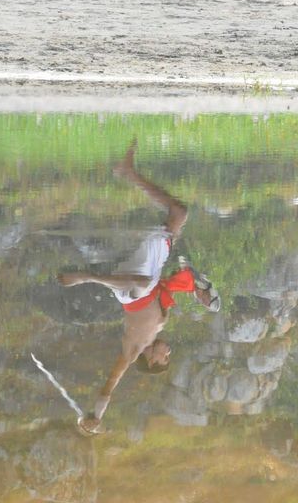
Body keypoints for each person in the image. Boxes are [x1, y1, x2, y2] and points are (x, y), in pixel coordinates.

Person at [58, 140, 219, 434]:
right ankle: (128, 172)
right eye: (167, 357)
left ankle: (86, 277)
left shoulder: (132, 351)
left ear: (149, 359)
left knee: (143, 284)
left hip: (129, 291)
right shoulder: (160, 325)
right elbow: (167, 288)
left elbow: (109, 386)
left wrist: (94, 417)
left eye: (163, 359)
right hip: (149, 279)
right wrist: (198, 292)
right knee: (179, 213)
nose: (167, 353)